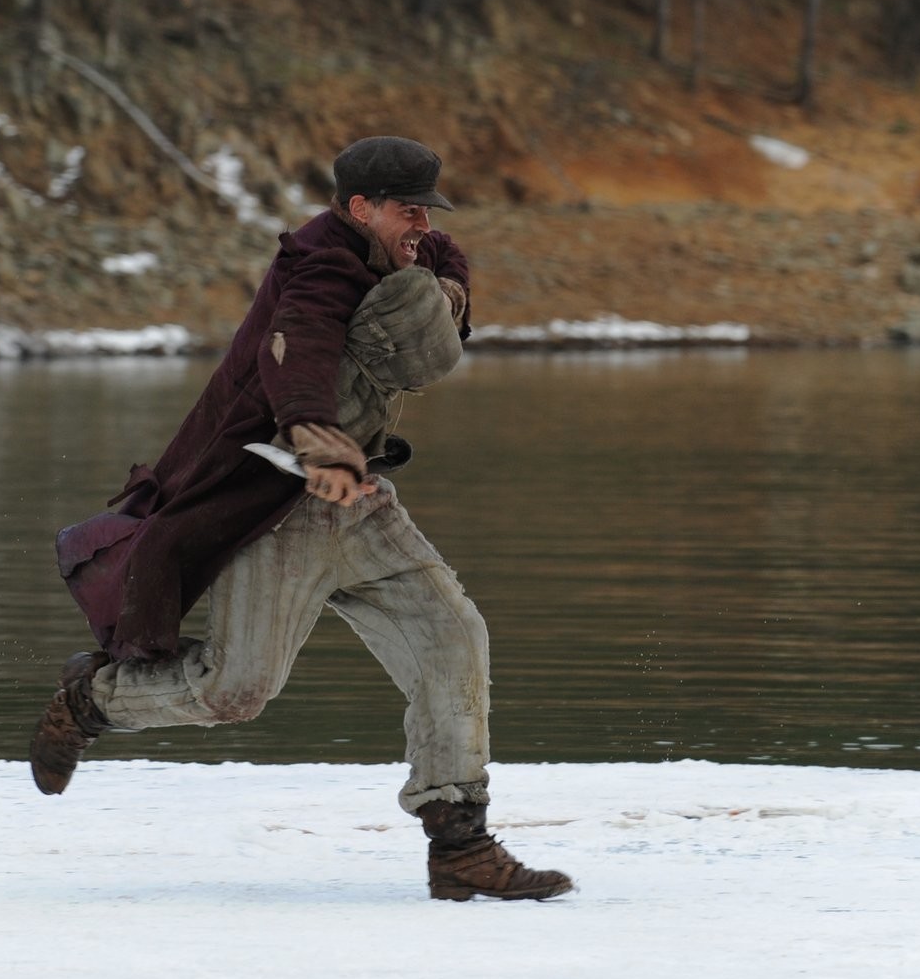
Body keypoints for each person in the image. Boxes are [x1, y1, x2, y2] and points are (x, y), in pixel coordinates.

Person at [29, 135, 573, 903]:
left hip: (362, 506)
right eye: (406, 209)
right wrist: (317, 438)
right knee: (235, 692)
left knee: (454, 639)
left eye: (426, 206)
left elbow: (446, 263)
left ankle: (459, 845)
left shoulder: (412, 253)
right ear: (359, 209)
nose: (422, 221)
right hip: (278, 504)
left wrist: (443, 287)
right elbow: (300, 351)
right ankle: (93, 700)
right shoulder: (316, 267)